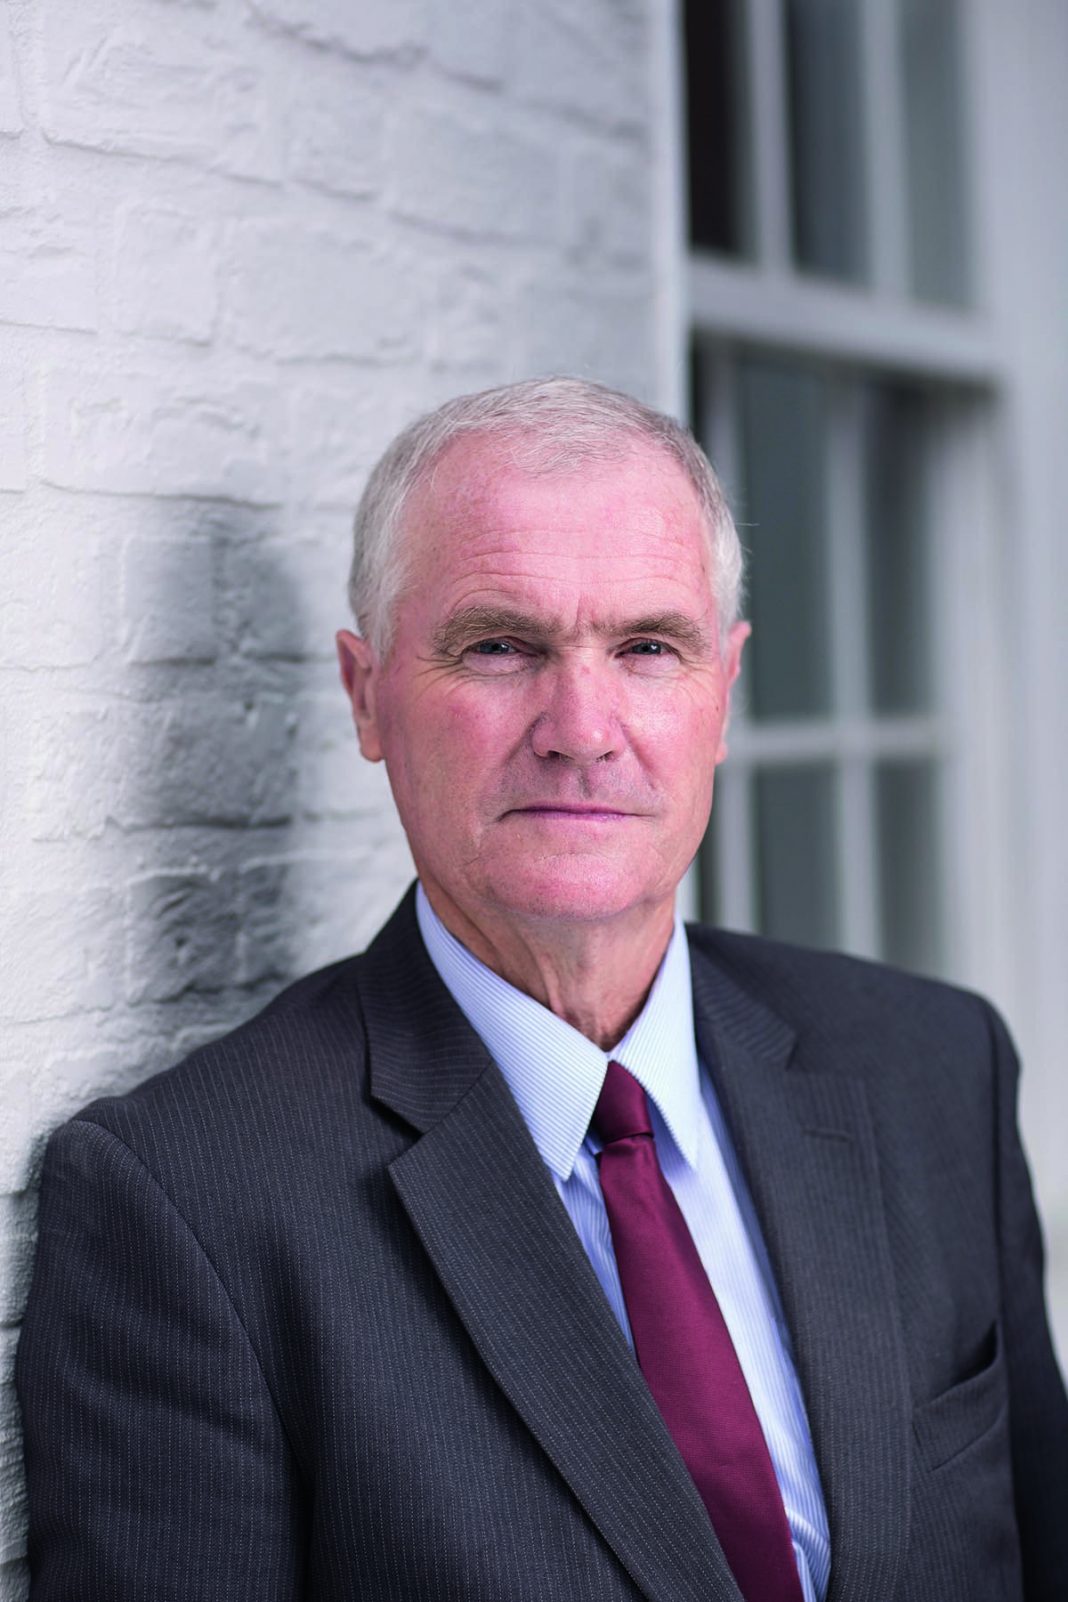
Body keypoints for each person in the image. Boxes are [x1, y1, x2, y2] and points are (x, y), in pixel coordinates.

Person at [16, 377, 1068, 1601]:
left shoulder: (934, 1068)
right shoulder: (188, 1208)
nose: (581, 726)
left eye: (648, 648)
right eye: (499, 646)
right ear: (366, 695)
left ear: (723, 692)